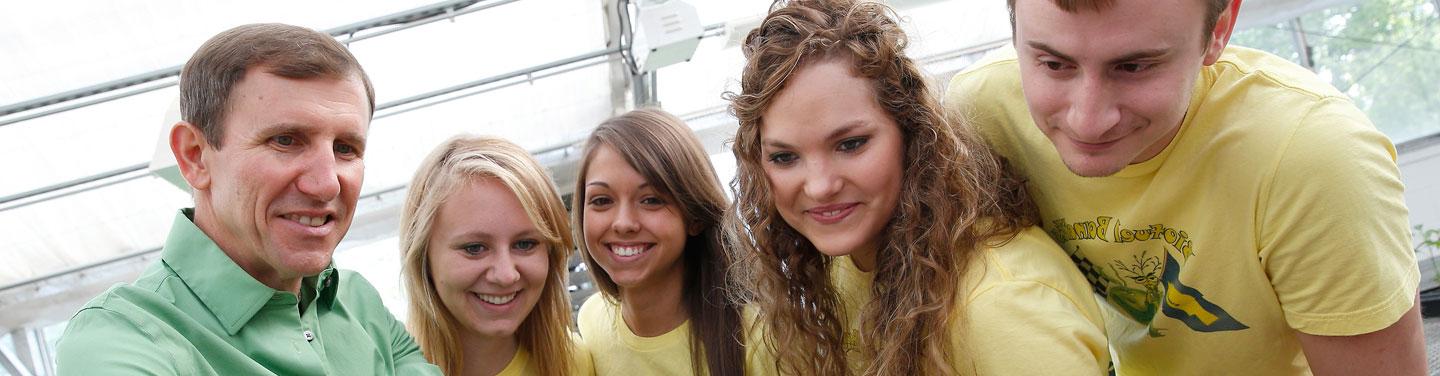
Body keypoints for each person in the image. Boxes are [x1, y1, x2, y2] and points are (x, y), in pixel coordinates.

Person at [944, 0, 1426, 374]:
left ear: (1217, 32)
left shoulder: (1312, 157)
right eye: (1053, 64)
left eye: (1134, 67)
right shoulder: (981, 117)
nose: (1087, 121)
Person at [724, 0, 1110, 374]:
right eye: (785, 157)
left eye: (851, 144)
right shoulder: (847, 262)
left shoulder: (1002, 304)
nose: (821, 186)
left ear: (912, 134)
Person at [53, 23, 439, 375]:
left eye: (346, 148)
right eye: (285, 140)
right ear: (195, 156)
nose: (326, 185)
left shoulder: (356, 301)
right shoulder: (121, 338)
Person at [399, 135, 591, 376]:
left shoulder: (575, 364)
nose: (506, 275)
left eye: (525, 243)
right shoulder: (382, 369)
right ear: (423, 257)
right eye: (474, 248)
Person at [573, 108, 745, 376]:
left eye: (651, 200)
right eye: (602, 200)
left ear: (695, 217)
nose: (623, 223)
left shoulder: (759, 336)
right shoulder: (592, 322)